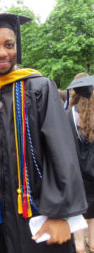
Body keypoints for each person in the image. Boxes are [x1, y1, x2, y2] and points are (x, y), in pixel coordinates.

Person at [0, 13, 87, 253]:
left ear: (17, 47)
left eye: (8, 45)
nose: (2, 53)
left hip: (39, 211)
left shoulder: (39, 87)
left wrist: (61, 215)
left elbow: (62, 153)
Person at [66, 73, 94, 253]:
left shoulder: (68, 115)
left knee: (77, 216)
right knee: (92, 217)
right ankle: (92, 243)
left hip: (75, 175)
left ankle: (79, 247)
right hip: (93, 173)